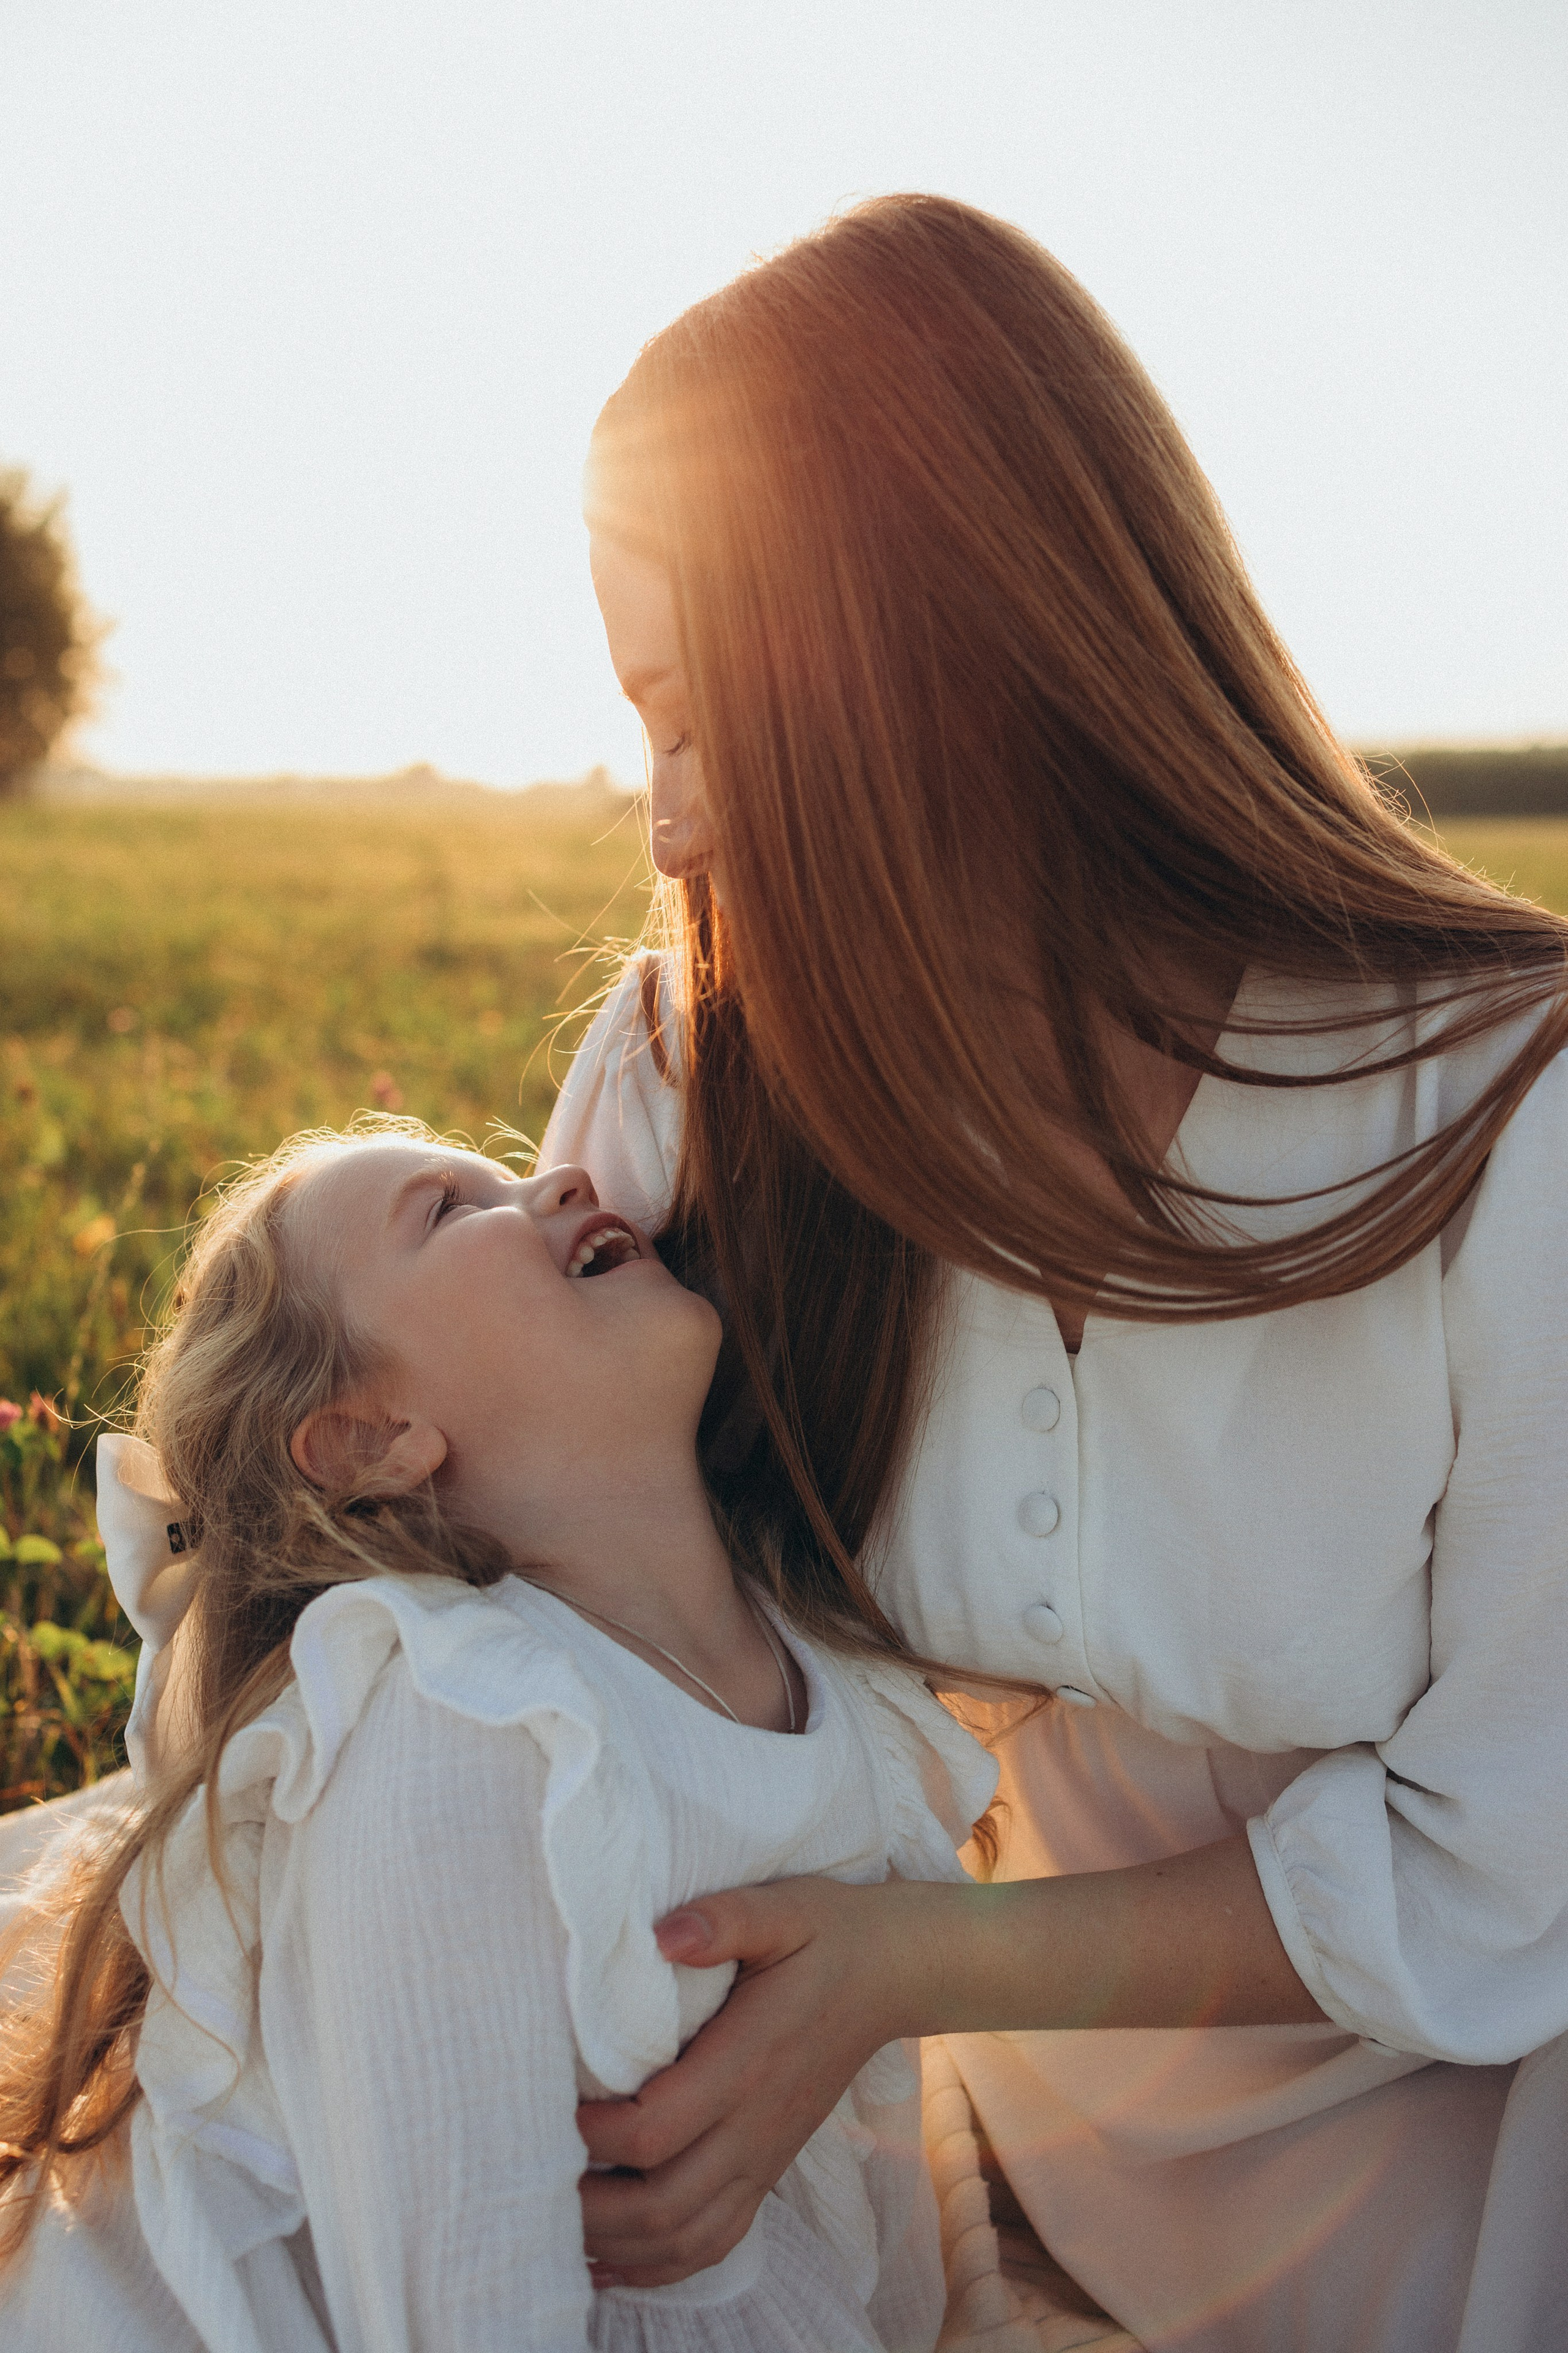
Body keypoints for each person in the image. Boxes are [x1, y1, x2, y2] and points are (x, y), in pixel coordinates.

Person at [546, 193, 1568, 2352]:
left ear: (922, 654)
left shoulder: (1511, 1114)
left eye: (691, 713)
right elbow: (489, 1618)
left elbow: (1514, 1868)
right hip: (962, 2152)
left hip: (1482, 2147)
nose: (670, 829)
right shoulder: (686, 1078)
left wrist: (910, 1962)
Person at [0, 1122, 1002, 2352]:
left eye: (513, 1174)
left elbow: (873, 2170)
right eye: (447, 1207)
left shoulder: (834, 1682)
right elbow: (456, 2300)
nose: (566, 1178)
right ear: (370, 1438)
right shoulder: (460, 1733)